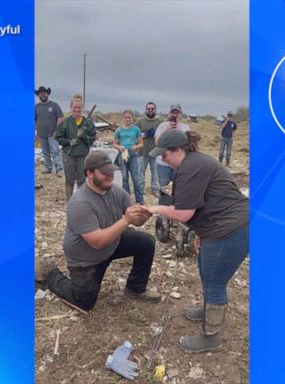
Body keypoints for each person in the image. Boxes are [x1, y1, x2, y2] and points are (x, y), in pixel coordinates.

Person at [148, 129, 248, 353]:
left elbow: (183, 213)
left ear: (178, 150)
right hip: (220, 226)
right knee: (205, 269)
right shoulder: (193, 163)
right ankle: (207, 310)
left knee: (215, 281)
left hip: (230, 229)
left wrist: (156, 208)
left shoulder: (190, 168)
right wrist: (201, 233)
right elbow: (208, 201)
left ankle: (211, 337)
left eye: (165, 155)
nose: (163, 160)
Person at [37, 151, 161, 311]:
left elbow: (135, 221)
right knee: (84, 302)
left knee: (145, 242)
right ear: (89, 173)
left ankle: (135, 288)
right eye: (105, 173)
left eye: (111, 172)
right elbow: (96, 242)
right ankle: (50, 273)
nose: (110, 176)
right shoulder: (80, 203)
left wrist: (142, 216)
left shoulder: (118, 192)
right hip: (87, 257)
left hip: (111, 242)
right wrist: (126, 220)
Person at [55, 94, 96, 201]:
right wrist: (69, 141)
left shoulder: (88, 123)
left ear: (82, 108)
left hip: (82, 155)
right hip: (69, 155)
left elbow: (92, 139)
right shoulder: (65, 122)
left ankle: (81, 203)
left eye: (79, 107)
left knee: (82, 181)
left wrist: (83, 136)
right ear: (71, 107)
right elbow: (58, 137)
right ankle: (70, 203)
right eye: (75, 107)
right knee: (69, 181)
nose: (77, 109)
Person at [154, 104, 190, 201]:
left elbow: (187, 144)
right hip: (163, 162)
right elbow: (157, 142)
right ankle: (163, 211)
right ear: (169, 113)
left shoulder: (185, 128)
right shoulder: (162, 126)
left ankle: (176, 208)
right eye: (173, 112)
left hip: (179, 163)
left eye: (177, 113)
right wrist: (166, 131)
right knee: (164, 187)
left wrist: (177, 129)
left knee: (179, 186)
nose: (175, 115)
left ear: (181, 114)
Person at [113, 110, 144, 204]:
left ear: (132, 118)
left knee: (135, 178)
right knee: (124, 178)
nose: (127, 119)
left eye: (129, 117)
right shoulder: (119, 130)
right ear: (123, 118)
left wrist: (136, 146)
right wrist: (119, 147)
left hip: (133, 154)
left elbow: (141, 143)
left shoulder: (136, 129)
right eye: (126, 117)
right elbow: (114, 144)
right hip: (123, 154)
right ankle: (126, 200)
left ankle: (140, 200)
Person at [35, 86, 64, 176]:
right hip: (41, 134)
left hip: (52, 134)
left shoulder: (54, 105)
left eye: (44, 93)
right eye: (40, 94)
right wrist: (35, 131)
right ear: (38, 95)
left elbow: (60, 117)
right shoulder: (36, 107)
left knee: (55, 151)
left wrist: (57, 130)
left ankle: (59, 169)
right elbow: (33, 120)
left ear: (47, 94)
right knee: (45, 152)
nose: (42, 95)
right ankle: (48, 168)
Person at [135, 102, 162, 197]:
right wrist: (144, 134)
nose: (150, 110)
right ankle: (140, 190)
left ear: (155, 109)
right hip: (142, 152)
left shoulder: (159, 122)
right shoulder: (140, 121)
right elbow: (134, 134)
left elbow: (163, 135)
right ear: (145, 109)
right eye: (148, 109)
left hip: (156, 152)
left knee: (156, 173)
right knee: (140, 173)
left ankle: (156, 190)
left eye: (152, 109)